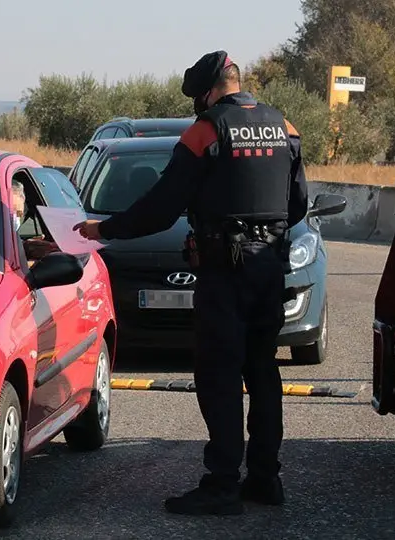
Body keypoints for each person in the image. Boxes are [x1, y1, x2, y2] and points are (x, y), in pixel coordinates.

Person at [72, 50, 309, 515]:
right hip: (269, 270)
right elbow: (298, 205)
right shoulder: (285, 127)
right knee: (263, 372)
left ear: (208, 92)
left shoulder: (206, 131)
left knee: (219, 376)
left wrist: (106, 229)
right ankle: (265, 478)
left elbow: (161, 206)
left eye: (197, 98)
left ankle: (221, 485)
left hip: (226, 272)